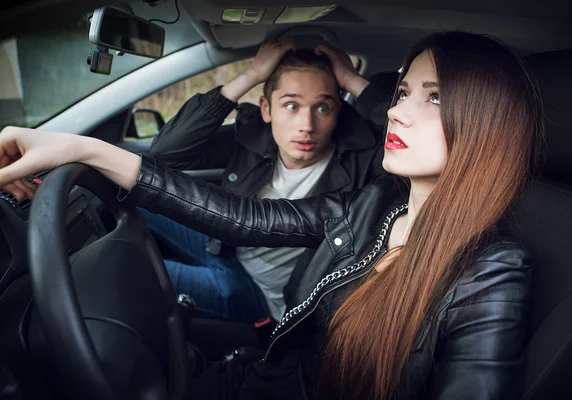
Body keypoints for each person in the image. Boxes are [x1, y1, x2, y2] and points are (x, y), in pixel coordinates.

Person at [0, 31, 544, 399]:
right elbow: (240, 217)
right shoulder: (375, 206)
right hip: (263, 376)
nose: (396, 109)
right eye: (401, 92)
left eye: (434, 98)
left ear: (485, 124)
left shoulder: (492, 273)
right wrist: (83, 150)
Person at [141, 38, 395, 323]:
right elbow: (163, 155)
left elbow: (426, 141)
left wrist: (351, 79)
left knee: (133, 268)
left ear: (338, 111)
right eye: (291, 106)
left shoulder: (366, 160)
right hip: (223, 244)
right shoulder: (253, 139)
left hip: (257, 292)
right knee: (131, 195)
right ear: (266, 108)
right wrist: (251, 75)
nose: (307, 125)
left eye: (322, 108)